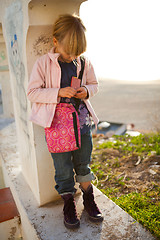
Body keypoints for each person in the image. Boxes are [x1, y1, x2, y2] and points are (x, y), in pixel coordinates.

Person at [27, 14, 103, 229]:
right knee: (62, 168)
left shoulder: (84, 62)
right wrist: (58, 92)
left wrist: (86, 91)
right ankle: (68, 203)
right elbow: (32, 92)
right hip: (56, 125)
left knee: (83, 162)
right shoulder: (44, 63)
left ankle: (88, 198)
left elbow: (95, 84)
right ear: (55, 42)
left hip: (81, 123)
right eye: (68, 51)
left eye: (77, 52)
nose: (72, 56)